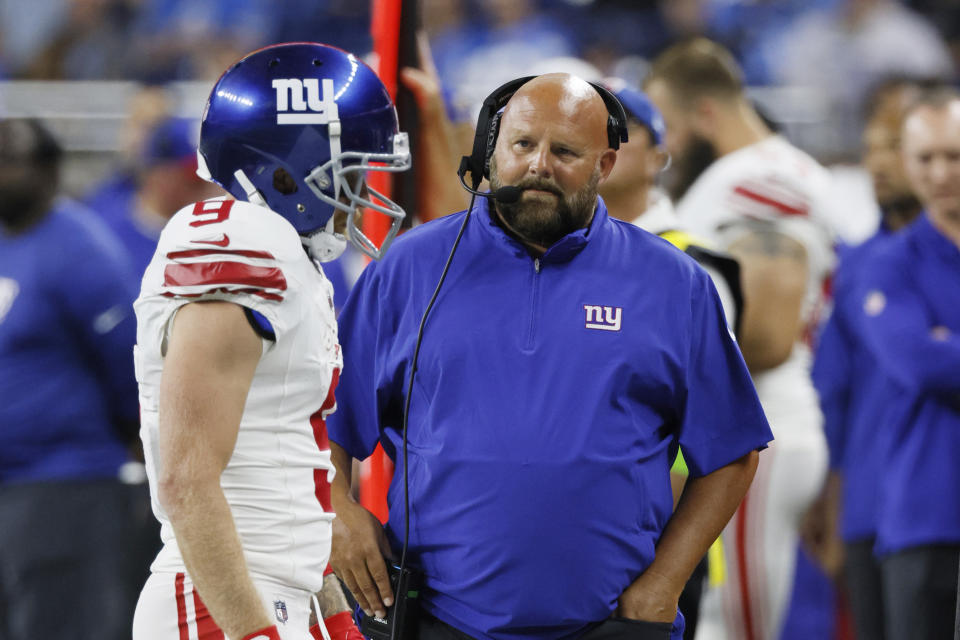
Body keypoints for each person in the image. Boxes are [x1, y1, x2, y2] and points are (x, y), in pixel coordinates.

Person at [326, 72, 773, 640]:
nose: (540, 165)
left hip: (610, 625)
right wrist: (338, 510)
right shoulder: (408, 269)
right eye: (522, 145)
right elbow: (325, 424)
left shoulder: (673, 283)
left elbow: (731, 453)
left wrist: (665, 582)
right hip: (437, 619)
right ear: (491, 151)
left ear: (604, 166)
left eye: (565, 151)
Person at [130, 42, 410, 640]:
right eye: (350, 169)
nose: (361, 190)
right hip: (221, 602)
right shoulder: (241, 242)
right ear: (287, 170)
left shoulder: (288, 255)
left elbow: (289, 465)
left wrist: (328, 609)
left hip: (274, 592)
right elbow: (186, 478)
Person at [644, 38, 835, 640]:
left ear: (704, 114)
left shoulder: (755, 179)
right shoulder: (780, 168)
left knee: (740, 626)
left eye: (669, 126)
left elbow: (772, 336)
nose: (666, 146)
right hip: (766, 424)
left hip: (759, 425)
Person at [598, 80, 743, 640]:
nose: (604, 139)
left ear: (660, 154)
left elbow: (713, 425)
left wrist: (665, 564)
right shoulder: (550, 257)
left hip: (659, 542)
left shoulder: (690, 265)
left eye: (623, 128)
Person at [0, 118, 142, 639]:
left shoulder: (81, 249)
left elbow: (127, 361)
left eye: (8, 161)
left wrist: (128, 434)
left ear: (48, 172)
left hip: (64, 481)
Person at [805, 79, 923, 640]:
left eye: (895, 146)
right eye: (872, 147)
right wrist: (829, 505)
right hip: (868, 507)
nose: (878, 163)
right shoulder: (856, 265)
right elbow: (835, 394)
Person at [852, 86, 960, 640]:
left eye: (954, 156)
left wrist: (947, 341)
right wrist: (934, 348)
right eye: (926, 158)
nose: (940, 173)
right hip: (925, 515)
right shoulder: (885, 265)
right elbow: (921, 365)